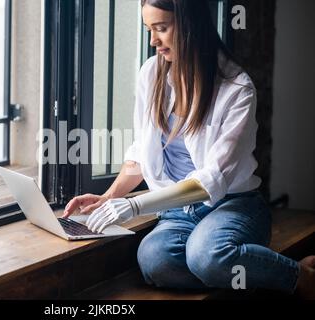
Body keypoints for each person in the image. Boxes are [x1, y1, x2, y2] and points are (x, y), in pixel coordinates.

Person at [62, 0, 315, 298]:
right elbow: (142, 152)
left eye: (161, 28)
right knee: (154, 261)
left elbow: (211, 180)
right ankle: (254, 274)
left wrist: (134, 205)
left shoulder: (237, 88)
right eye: (149, 29)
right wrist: (108, 198)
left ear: (190, 25)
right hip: (178, 212)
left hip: (233, 205)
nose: (153, 40)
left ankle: (300, 277)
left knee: (207, 256)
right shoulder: (151, 74)